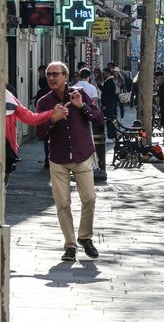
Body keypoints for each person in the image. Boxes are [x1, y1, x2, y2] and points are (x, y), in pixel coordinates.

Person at [36, 62, 105, 261]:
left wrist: (82, 106)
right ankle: (70, 245)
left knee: (89, 199)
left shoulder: (80, 94)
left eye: (55, 74)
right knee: (62, 203)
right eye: (48, 74)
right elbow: (40, 133)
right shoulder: (43, 102)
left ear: (66, 76)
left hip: (82, 155)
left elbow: (99, 119)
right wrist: (52, 119)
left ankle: (85, 237)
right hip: (58, 158)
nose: (51, 78)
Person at [5, 89, 57, 186]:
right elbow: (30, 118)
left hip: (6, 153)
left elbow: (30, 118)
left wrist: (52, 113)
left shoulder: (9, 97)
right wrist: (52, 113)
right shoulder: (8, 97)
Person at [99, 68, 117, 141]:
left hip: (108, 105)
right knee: (109, 120)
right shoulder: (109, 81)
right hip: (109, 104)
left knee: (109, 120)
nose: (103, 75)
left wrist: (105, 105)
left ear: (108, 73)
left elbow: (108, 95)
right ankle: (111, 136)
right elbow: (105, 91)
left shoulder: (109, 81)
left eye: (104, 73)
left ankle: (110, 137)